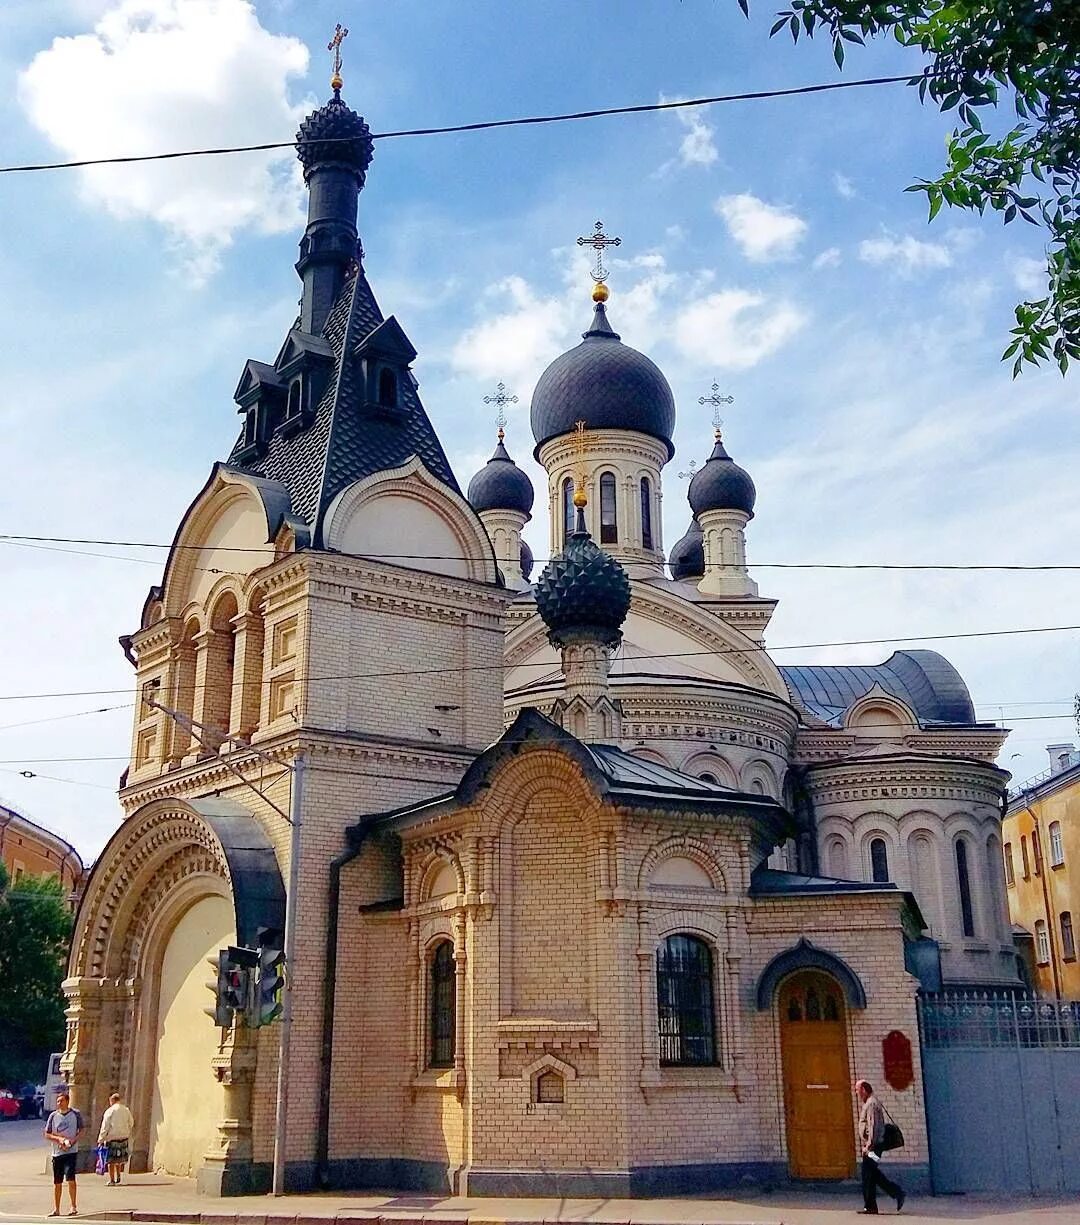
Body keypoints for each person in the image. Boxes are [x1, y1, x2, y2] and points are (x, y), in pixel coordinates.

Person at [855, 1079, 905, 1214]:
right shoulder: (870, 1102)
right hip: (874, 1144)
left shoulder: (871, 1104)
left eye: (858, 1091)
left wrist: (869, 1145)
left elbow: (874, 1126)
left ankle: (894, 1194)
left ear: (864, 1090)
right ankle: (889, 1196)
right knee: (871, 1174)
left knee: (868, 1173)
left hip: (875, 1145)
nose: (857, 1094)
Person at [43, 1090, 83, 1217]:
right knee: (57, 1182)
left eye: (61, 1101)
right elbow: (47, 1133)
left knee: (71, 1179)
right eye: (58, 1101)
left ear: (67, 1101)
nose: (59, 1103)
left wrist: (73, 1140)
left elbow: (81, 1130)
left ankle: (73, 1206)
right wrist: (59, 1140)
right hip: (57, 1152)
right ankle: (57, 1208)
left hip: (71, 1151)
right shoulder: (53, 1116)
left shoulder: (75, 1114)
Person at [97, 1092, 134, 1186]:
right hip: (124, 1137)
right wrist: (127, 1131)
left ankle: (112, 1180)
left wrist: (101, 1139)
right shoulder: (126, 1110)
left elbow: (105, 1126)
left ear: (112, 1100)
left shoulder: (110, 1111)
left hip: (112, 1138)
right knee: (119, 1159)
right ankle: (118, 1176)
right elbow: (131, 1122)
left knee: (111, 1161)